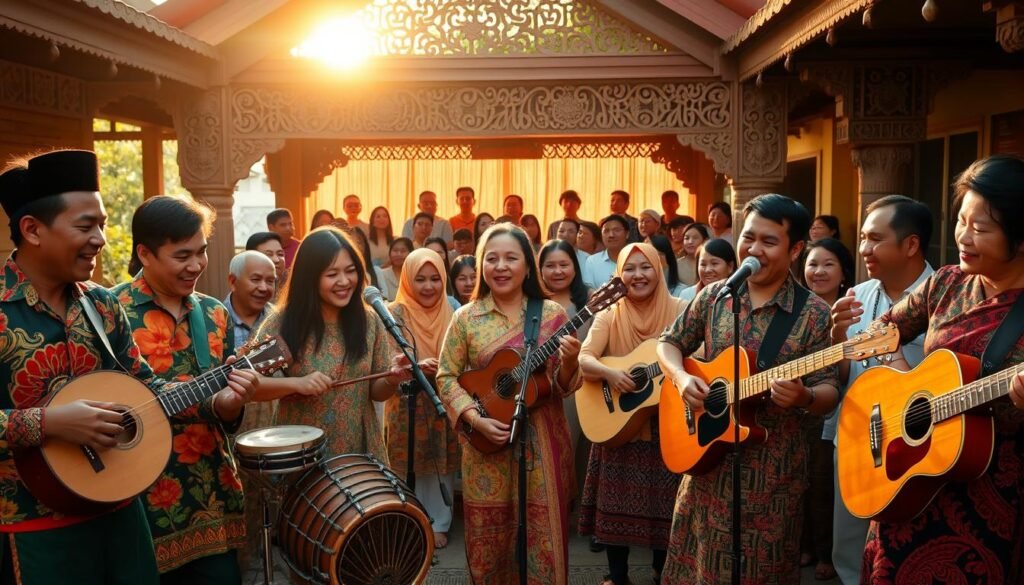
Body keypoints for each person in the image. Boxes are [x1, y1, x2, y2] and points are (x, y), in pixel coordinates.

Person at [0, 150, 230, 585]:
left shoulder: (102, 305)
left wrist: (218, 391)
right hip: (30, 529)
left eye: (102, 224)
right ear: (32, 230)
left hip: (120, 513)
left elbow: (145, 387)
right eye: (86, 226)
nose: (102, 238)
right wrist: (49, 423)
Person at [657, 193, 839, 584]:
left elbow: (829, 390)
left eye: (769, 242)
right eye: (749, 237)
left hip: (772, 481)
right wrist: (681, 377)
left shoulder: (814, 314)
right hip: (706, 466)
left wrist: (804, 397)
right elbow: (669, 342)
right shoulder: (716, 295)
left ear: (796, 250)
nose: (754, 249)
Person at [857, 158, 1024, 584]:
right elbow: (880, 331)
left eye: (982, 228)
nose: (964, 238)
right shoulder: (946, 283)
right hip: (906, 479)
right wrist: (903, 384)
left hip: (991, 504)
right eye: (961, 221)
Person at [113, 195, 259, 583]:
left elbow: (226, 410)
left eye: (202, 252)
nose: (196, 265)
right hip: (137, 496)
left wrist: (231, 405)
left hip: (210, 495)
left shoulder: (214, 314)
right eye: (182, 256)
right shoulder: (110, 311)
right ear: (145, 253)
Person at [436, 224, 582, 584]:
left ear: (528, 267)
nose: (500, 266)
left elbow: (563, 387)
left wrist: (570, 362)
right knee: (491, 540)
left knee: (542, 537)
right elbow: (445, 377)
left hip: (543, 445)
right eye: (492, 258)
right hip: (487, 445)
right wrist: (475, 418)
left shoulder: (552, 315)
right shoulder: (466, 318)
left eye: (511, 258)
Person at [829, 195, 933, 585]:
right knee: (849, 548)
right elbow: (844, 376)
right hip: (857, 437)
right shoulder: (857, 297)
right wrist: (837, 337)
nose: (863, 249)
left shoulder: (943, 300)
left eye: (875, 239)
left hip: (915, 446)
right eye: (862, 238)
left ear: (910, 245)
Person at [579, 243, 686, 585]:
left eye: (646, 267)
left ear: (660, 269)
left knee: (666, 503)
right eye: (629, 268)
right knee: (614, 502)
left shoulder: (682, 310)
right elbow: (585, 358)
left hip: (668, 422)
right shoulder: (609, 314)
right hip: (617, 423)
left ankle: (662, 571)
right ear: (619, 275)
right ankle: (617, 575)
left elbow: (697, 354)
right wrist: (610, 374)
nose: (637, 275)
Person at [254, 227, 409, 459]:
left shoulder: (370, 320)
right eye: (332, 274)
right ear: (309, 277)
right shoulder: (282, 322)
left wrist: (391, 379)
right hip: (301, 453)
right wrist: (297, 384)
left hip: (358, 450)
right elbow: (251, 385)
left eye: (350, 271)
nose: (344, 281)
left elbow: (377, 392)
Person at [385, 249, 460, 549]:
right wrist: (409, 365)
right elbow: (387, 354)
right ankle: (404, 518)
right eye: (420, 279)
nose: (429, 287)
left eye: (435, 279)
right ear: (406, 280)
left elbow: (460, 356)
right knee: (403, 461)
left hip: (442, 397)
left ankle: (438, 522)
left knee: (440, 462)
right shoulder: (393, 313)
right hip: (404, 399)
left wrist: (441, 367)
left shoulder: (452, 312)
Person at [798, 237, 854, 582]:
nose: (818, 271)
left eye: (828, 264)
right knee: (800, 479)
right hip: (795, 406)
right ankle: (803, 543)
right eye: (812, 264)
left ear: (843, 272)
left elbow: (843, 374)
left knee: (823, 483)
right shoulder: (796, 308)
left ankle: (825, 551)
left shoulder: (854, 308)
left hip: (837, 408)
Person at [538, 239, 591, 480]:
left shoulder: (591, 299)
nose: (558, 271)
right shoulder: (533, 303)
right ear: (539, 269)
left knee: (580, 453)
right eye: (550, 265)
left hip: (585, 386)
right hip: (542, 390)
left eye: (564, 264)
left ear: (575, 267)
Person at [225, 250, 276, 352]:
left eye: (270, 281)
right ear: (233, 282)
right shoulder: (212, 321)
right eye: (256, 279)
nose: (263, 288)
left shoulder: (280, 320)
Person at [678, 237, 736, 302]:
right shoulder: (687, 295)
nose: (707, 270)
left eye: (714, 263)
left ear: (730, 266)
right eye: (703, 264)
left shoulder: (741, 296)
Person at [584, 215, 629, 290]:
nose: (611, 235)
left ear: (627, 234)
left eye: (617, 230)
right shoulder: (592, 261)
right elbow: (589, 291)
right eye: (606, 231)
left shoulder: (637, 258)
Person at [347, 226, 390, 298]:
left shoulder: (376, 271)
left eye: (358, 242)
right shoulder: (343, 275)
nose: (356, 246)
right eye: (351, 242)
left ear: (365, 245)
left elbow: (385, 295)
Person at [424, 237, 460, 309]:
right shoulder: (418, 278)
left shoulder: (453, 276)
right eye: (431, 252)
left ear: (445, 254)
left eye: (439, 252)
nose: (435, 256)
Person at [677, 222, 710, 286]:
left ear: (705, 240)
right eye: (686, 238)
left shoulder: (710, 263)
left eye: (695, 238)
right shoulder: (676, 264)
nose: (690, 242)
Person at [381, 237, 413, 301]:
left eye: (403, 251)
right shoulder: (381, 274)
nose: (398, 254)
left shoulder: (414, 275)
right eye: (395, 250)